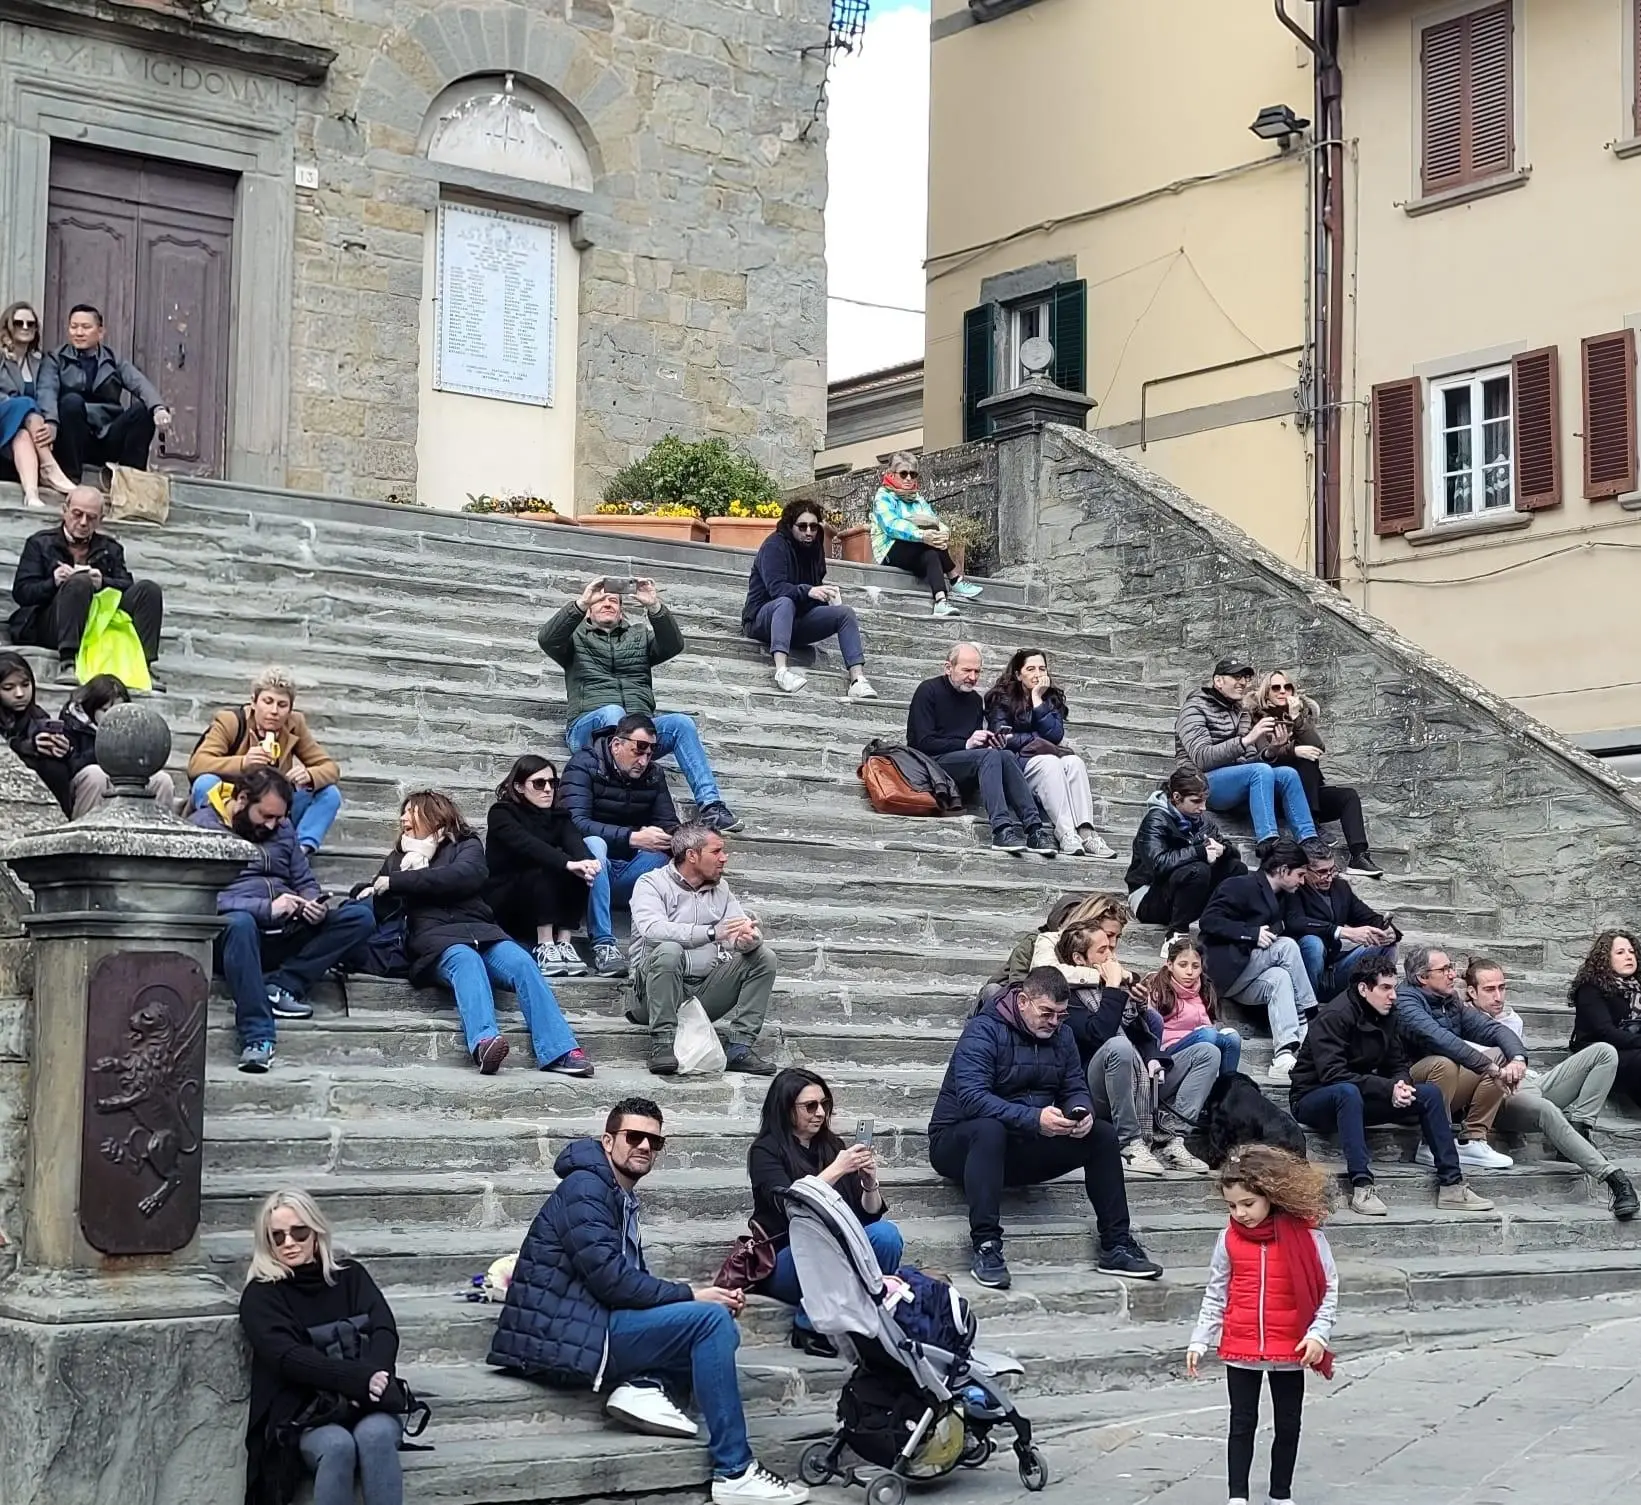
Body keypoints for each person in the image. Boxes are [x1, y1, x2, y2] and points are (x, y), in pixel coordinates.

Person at [488, 1097, 810, 1505]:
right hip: (567, 1332)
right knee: (709, 1321)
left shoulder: (611, 1191)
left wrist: (693, 1302)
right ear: (608, 1141)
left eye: (654, 1142)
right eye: (634, 1136)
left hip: (591, 1322)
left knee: (710, 1322)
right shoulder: (586, 1188)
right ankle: (735, 1470)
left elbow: (625, 1282)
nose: (644, 1146)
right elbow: (612, 1282)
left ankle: (645, 1385)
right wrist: (693, 1294)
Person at [927, 965, 1163, 1289]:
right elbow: (972, 1099)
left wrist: (1081, 1112)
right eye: (1046, 1012)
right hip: (960, 1144)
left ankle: (1117, 1244)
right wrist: (1035, 1119)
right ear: (1023, 1001)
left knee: (1104, 1134)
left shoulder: (1062, 1034)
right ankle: (986, 1245)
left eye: (1061, 1015)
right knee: (988, 1129)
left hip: (1022, 1144)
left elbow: (1074, 1087)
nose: (1054, 1022)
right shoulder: (983, 1030)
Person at [356, 790, 591, 1078]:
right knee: (466, 961)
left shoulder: (466, 845)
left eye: (410, 811)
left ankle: (559, 1050)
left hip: (484, 932)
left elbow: (465, 876)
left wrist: (397, 882)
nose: (403, 818)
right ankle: (484, 1042)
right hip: (435, 939)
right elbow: (383, 905)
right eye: (403, 813)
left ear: (433, 814)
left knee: (523, 964)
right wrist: (375, 890)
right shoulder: (398, 859)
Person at [190, 765, 375, 1074]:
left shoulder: (282, 828)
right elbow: (201, 900)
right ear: (243, 798)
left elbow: (303, 877)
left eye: (280, 818)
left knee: (359, 917)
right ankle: (258, 1036)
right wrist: (266, 908)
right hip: (235, 939)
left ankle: (282, 985)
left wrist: (312, 903)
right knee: (240, 923)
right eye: (266, 816)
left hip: (286, 928)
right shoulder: (202, 827)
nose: (274, 825)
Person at [1185, 1146, 1338, 1505]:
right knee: (1241, 1424)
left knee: (1288, 1425)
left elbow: (1329, 1288)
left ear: (1271, 1195)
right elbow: (1216, 1290)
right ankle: (1237, 1496)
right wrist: (1200, 1338)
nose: (1240, 1213)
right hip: (1241, 1346)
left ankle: (1280, 1494)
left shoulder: (1309, 1237)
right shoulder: (1229, 1239)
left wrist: (1317, 1333)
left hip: (1291, 1347)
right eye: (1232, 1206)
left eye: (1248, 1204)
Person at [1288, 953, 1493, 1216]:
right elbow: (1333, 1074)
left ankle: (1452, 1185)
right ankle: (1362, 1186)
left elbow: (1397, 1063)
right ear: (1364, 988)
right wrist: (1387, 1089)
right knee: (1347, 1092)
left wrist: (1401, 1086)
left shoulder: (1387, 1014)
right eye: (1385, 988)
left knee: (1429, 1094)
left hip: (1358, 1097)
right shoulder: (1334, 1016)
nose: (1393, 996)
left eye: (1394, 988)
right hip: (1313, 1099)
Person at [238, 1188, 407, 1505]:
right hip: (304, 1413)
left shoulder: (351, 1277)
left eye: (299, 1232)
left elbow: (384, 1329)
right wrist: (356, 1381)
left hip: (368, 1402)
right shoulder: (261, 1296)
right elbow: (287, 1357)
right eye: (277, 1236)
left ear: (316, 1232)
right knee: (337, 1445)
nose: (289, 1243)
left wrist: (371, 1380)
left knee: (377, 1435)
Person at [539, 575, 739, 833]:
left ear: (622, 612)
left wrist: (654, 606)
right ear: (589, 611)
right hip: (587, 729)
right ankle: (612, 781)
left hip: (638, 732)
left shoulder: (639, 636)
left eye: (614, 600)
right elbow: (546, 639)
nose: (608, 603)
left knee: (681, 723)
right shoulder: (574, 639)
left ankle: (712, 806)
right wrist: (580, 601)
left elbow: (673, 645)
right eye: (601, 600)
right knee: (614, 713)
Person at [747, 1067, 904, 1355]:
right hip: (788, 1261)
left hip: (838, 1256)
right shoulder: (764, 1151)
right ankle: (809, 1323)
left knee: (886, 1235)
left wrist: (870, 1184)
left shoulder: (832, 1147)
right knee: (829, 1245)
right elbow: (789, 1203)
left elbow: (867, 1216)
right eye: (810, 1106)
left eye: (824, 1104)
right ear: (785, 1109)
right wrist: (838, 1169)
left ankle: (869, 1315)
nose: (820, 1113)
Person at [1466, 958, 1638, 1220]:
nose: (1498, 996)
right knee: (1547, 1110)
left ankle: (1580, 1124)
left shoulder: (1512, 1019)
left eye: (1502, 987)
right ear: (1471, 992)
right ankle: (1614, 1178)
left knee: (1604, 1052)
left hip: (1532, 1083)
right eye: (1490, 990)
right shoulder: (1460, 1021)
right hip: (1501, 1097)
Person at [1050, 921, 1214, 1177]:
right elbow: (1098, 1035)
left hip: (1138, 1080)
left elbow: (1143, 1035)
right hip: (1095, 1089)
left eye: (1111, 950)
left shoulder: (1113, 986)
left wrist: (1151, 1053)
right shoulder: (1064, 994)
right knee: (1117, 1045)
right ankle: (1130, 1143)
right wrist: (1114, 988)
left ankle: (1170, 1138)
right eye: (1102, 951)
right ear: (1079, 959)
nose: (1112, 957)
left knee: (1207, 1053)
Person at [629, 822, 777, 1078]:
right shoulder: (650, 883)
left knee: (764, 957)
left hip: (703, 990)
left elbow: (734, 933)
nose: (724, 858)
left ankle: (739, 1047)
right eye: (717, 851)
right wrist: (711, 933)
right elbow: (652, 929)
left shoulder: (722, 889)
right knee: (669, 950)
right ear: (692, 855)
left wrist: (748, 939)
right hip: (652, 995)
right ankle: (662, 1043)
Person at [560, 711, 681, 978]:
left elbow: (668, 822)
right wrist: (633, 837)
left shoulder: (653, 775)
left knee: (665, 858)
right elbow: (573, 822)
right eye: (638, 750)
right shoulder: (583, 764)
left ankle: (667, 946)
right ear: (616, 745)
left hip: (628, 871)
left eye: (650, 753)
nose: (644, 760)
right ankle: (604, 944)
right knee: (595, 844)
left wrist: (677, 839)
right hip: (584, 870)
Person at [908, 643, 1051, 855]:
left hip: (963, 763)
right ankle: (1002, 829)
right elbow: (920, 742)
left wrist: (986, 741)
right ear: (948, 668)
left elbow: (973, 748)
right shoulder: (928, 691)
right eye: (966, 670)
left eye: (977, 671)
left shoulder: (975, 700)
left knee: (1005, 754)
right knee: (990, 757)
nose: (973, 677)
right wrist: (966, 743)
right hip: (930, 764)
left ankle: (1035, 829)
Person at [8, 485, 164, 680]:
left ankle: (143, 665)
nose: (83, 522)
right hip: (53, 621)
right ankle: (67, 662)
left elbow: (127, 585)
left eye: (91, 518)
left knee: (148, 590)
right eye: (77, 514)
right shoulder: (40, 543)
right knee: (78, 582)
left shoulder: (110, 548)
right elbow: (22, 592)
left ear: (101, 519)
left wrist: (103, 582)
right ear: (64, 511)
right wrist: (54, 581)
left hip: (99, 620)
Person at [1198, 840, 1318, 1087]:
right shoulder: (1240, 885)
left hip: (1251, 978)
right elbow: (1208, 921)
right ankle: (1309, 1015)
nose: (1303, 881)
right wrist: (1250, 933)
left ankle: (1284, 1055)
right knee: (1286, 947)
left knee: (1280, 978)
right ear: (1283, 870)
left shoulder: (1285, 896)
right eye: (1300, 875)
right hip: (1224, 971)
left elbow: (1298, 923)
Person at [187, 666, 343, 855]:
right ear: (253, 702)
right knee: (206, 783)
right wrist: (243, 763)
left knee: (329, 794)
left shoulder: (294, 725)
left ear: (290, 709)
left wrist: (310, 774)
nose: (274, 711)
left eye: (282, 705)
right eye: (268, 702)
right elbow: (198, 764)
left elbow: (331, 768)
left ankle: (298, 852)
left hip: (274, 807)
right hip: (236, 803)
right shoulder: (231, 722)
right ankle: (224, 843)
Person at [1244, 670, 1381, 880]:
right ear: (1266, 692)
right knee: (1303, 760)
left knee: (1348, 796)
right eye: (1276, 687)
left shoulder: (1300, 714)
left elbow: (1318, 746)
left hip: (1309, 793)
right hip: (1277, 792)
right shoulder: (1256, 718)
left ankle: (1359, 856)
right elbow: (1263, 756)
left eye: (1287, 687)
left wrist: (1297, 717)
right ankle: (1312, 823)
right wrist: (1292, 751)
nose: (1282, 691)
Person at [1393, 946, 1519, 1170]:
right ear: (1422, 977)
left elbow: (1493, 1029)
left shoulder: (1449, 1000)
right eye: (1444, 969)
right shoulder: (1405, 1002)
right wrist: (1489, 1068)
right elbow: (1440, 1040)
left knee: (1500, 1054)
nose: (1452, 974)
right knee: (1444, 1063)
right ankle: (1431, 1143)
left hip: (1445, 1087)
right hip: (1404, 1091)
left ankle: (1472, 1139)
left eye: (1451, 967)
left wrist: (1517, 1059)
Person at [983, 648, 1116, 858]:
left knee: (1074, 762)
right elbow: (1001, 737)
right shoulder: (1002, 698)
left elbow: (1054, 735)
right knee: (1050, 761)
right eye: (1031, 669)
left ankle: (1086, 832)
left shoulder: (1050, 699)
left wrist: (1037, 698)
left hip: (1045, 760)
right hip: (1019, 765)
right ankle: (1066, 833)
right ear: (1018, 674)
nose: (1037, 674)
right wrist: (1036, 740)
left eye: (1042, 669)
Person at [741, 498, 878, 700]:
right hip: (762, 619)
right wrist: (809, 591)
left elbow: (814, 586)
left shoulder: (815, 547)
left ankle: (857, 680)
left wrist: (826, 595)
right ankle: (781, 671)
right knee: (785, 602)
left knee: (845, 613)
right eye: (802, 526)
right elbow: (777, 589)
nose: (809, 532)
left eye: (813, 527)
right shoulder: (774, 546)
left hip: (797, 621)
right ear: (790, 525)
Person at [1175, 659, 1316, 849]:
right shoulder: (1193, 709)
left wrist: (1272, 749)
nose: (1242, 682)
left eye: (1245, 677)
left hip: (1236, 781)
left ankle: (1310, 842)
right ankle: (1269, 843)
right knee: (1260, 771)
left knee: (1287, 774)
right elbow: (1202, 758)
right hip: (1201, 782)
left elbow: (1249, 761)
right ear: (1218, 681)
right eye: (1236, 677)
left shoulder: (1240, 712)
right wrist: (1247, 739)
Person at [484, 754, 599, 979]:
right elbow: (529, 846)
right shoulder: (501, 813)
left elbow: (576, 844)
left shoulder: (559, 817)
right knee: (546, 866)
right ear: (519, 786)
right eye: (539, 783)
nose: (548, 789)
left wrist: (586, 863)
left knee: (579, 871)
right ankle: (545, 945)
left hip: (543, 902)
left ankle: (564, 943)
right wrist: (567, 862)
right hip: (506, 899)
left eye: (552, 783)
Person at [36, 302, 171, 481]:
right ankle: (70, 480)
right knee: (71, 401)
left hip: (108, 433)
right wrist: (51, 421)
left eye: (85, 327)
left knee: (142, 411)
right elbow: (47, 390)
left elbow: (139, 383)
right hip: (73, 437)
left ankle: (131, 481)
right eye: (73, 327)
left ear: (100, 332)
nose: (79, 332)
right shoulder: (56, 358)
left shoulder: (113, 359)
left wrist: (158, 408)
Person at [1126, 767, 1246, 941]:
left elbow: (1231, 852)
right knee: (1198, 869)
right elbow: (1158, 864)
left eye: (1205, 801)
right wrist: (1199, 851)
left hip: (1185, 892)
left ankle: (1218, 924)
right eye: (1196, 801)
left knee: (1236, 868)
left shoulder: (1203, 820)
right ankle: (1176, 937)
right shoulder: (1155, 820)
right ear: (1176, 797)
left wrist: (1224, 849)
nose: (1203, 807)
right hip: (1148, 897)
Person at [869, 452, 983, 618]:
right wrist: (922, 535)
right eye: (903, 474)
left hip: (918, 549)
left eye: (913, 474)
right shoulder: (883, 496)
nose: (909, 478)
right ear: (891, 475)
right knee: (928, 542)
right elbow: (891, 525)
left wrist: (944, 533)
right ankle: (954, 579)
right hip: (890, 550)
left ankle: (940, 601)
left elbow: (934, 520)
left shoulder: (918, 499)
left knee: (931, 554)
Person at [1286, 840, 1399, 1002]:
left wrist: (1388, 930)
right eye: (1322, 872)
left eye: (1332, 870)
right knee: (1313, 943)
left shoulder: (1340, 887)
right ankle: (1305, 1005)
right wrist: (1341, 932)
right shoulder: (1294, 887)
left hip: (1335, 969)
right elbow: (1296, 922)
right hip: (1303, 974)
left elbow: (1367, 916)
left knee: (1386, 945)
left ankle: (1377, 1000)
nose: (1329, 877)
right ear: (1305, 870)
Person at [59, 672, 176, 818]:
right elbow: (70, 766)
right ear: (91, 707)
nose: (113, 716)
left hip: (128, 778)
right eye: (105, 710)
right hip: (89, 782)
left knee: (162, 780)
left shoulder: (130, 724)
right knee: (96, 776)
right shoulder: (72, 724)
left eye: (118, 710)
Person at [0, 300, 74, 507]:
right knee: (26, 404)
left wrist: (51, 422)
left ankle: (31, 494)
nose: (25, 327)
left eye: (30, 324)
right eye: (18, 323)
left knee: (22, 436)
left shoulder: (40, 361)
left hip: (19, 429)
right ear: (7, 325)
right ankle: (49, 466)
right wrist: (17, 406)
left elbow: (47, 392)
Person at [1140, 934, 1243, 1078]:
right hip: (1171, 1050)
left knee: (1232, 1038)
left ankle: (1225, 1090)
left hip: (1206, 1041)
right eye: (1183, 965)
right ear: (1170, 965)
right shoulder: (1160, 990)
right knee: (1208, 1034)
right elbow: (1149, 1029)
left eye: (1195, 966)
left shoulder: (1205, 990)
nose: (1189, 972)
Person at [1569, 930, 1641, 1106]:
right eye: (1620, 952)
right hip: (1599, 1051)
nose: (1629, 957)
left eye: (1632, 952)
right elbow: (1605, 1032)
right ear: (1605, 959)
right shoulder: (1590, 989)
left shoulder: (1637, 988)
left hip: (1632, 1047)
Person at [0, 649, 74, 813]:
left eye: (25, 685)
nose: (19, 694)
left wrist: (65, 749)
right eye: (8, 688)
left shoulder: (38, 715)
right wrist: (27, 746)